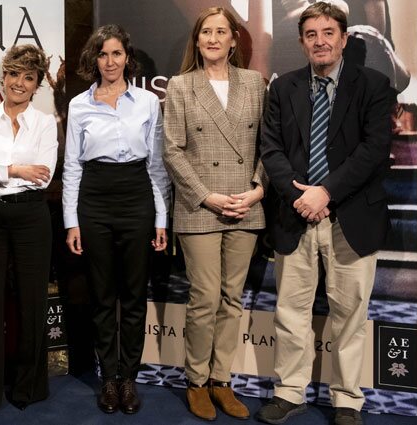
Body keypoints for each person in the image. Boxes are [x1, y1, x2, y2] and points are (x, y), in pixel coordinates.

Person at [256, 2, 392, 425]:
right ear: (301, 42)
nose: (320, 40)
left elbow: (372, 151)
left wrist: (326, 193)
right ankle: (289, 392)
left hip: (351, 217)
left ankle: (347, 399)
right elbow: (271, 149)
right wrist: (300, 196)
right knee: (290, 313)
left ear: (344, 38)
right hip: (295, 216)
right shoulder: (283, 88)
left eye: (328, 32)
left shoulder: (373, 85)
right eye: (311, 34)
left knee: (349, 315)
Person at [162, 6, 267, 422]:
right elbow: (172, 150)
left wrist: (257, 190)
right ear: (197, 39)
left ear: (233, 39)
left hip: (245, 205)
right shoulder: (181, 85)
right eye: (206, 31)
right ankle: (196, 381)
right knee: (204, 297)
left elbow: (267, 144)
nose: (213, 38)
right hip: (199, 205)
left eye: (221, 31)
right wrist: (206, 196)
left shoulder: (255, 84)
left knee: (232, 298)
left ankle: (222, 381)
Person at [62, 24, 170, 415]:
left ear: (128, 58)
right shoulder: (78, 105)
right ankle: (108, 378)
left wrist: (161, 218)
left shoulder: (146, 102)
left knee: (134, 295)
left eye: (116, 54)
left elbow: (157, 166)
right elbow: (72, 167)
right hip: (94, 197)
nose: (110, 62)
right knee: (103, 295)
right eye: (103, 55)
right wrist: (71, 222)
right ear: (95, 59)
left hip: (137, 195)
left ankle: (129, 378)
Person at [0, 44, 58, 417]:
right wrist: (16, 169)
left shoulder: (46, 122)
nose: (19, 83)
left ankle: (28, 388)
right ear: (4, 77)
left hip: (32, 217)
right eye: (14, 74)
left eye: (28, 77)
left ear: (37, 85)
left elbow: (44, 174)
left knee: (32, 303)